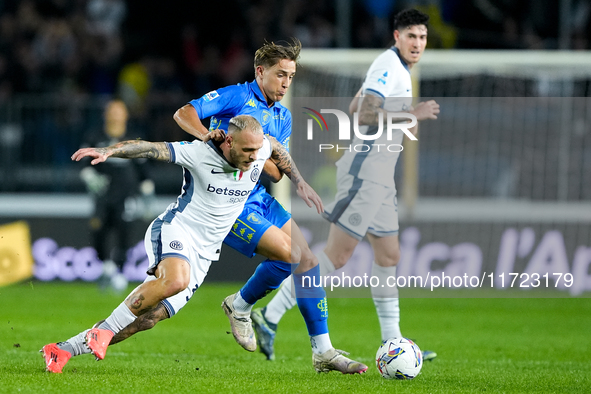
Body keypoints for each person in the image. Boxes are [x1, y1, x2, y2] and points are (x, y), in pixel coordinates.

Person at [40, 115, 365, 375]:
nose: (254, 160)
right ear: (228, 141)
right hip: (176, 228)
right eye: (247, 152)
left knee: (149, 318)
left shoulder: (260, 149)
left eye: (257, 152)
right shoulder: (199, 153)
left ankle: (66, 348)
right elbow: (151, 148)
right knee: (175, 280)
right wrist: (111, 151)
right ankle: (105, 331)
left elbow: (277, 151)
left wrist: (301, 182)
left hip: (205, 254)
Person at [251, 9, 440, 362]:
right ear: (397, 36)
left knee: (389, 255)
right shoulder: (389, 65)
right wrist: (413, 114)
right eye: (411, 35)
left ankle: (393, 342)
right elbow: (365, 114)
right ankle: (270, 315)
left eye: (423, 37)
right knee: (337, 256)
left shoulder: (395, 68)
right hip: (366, 172)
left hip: (381, 176)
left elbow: (356, 103)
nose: (418, 43)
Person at [169, 39, 367, 373]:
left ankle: (323, 351)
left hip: (259, 197)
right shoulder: (236, 96)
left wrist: (265, 156)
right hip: (228, 201)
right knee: (290, 256)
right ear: (260, 72)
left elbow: (275, 172)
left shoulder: (283, 116)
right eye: (280, 75)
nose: (286, 82)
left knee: (308, 261)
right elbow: (184, 113)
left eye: (290, 75)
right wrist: (207, 137)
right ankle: (242, 305)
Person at [79, 99, 154, 292]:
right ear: (106, 115)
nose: (115, 115)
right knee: (97, 231)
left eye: (119, 111)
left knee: (124, 234)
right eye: (112, 111)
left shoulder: (134, 140)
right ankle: (107, 267)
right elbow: (83, 165)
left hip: (126, 196)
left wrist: (148, 198)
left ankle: (119, 274)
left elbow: (144, 171)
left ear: (125, 115)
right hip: (103, 196)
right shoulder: (95, 137)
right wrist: (90, 177)